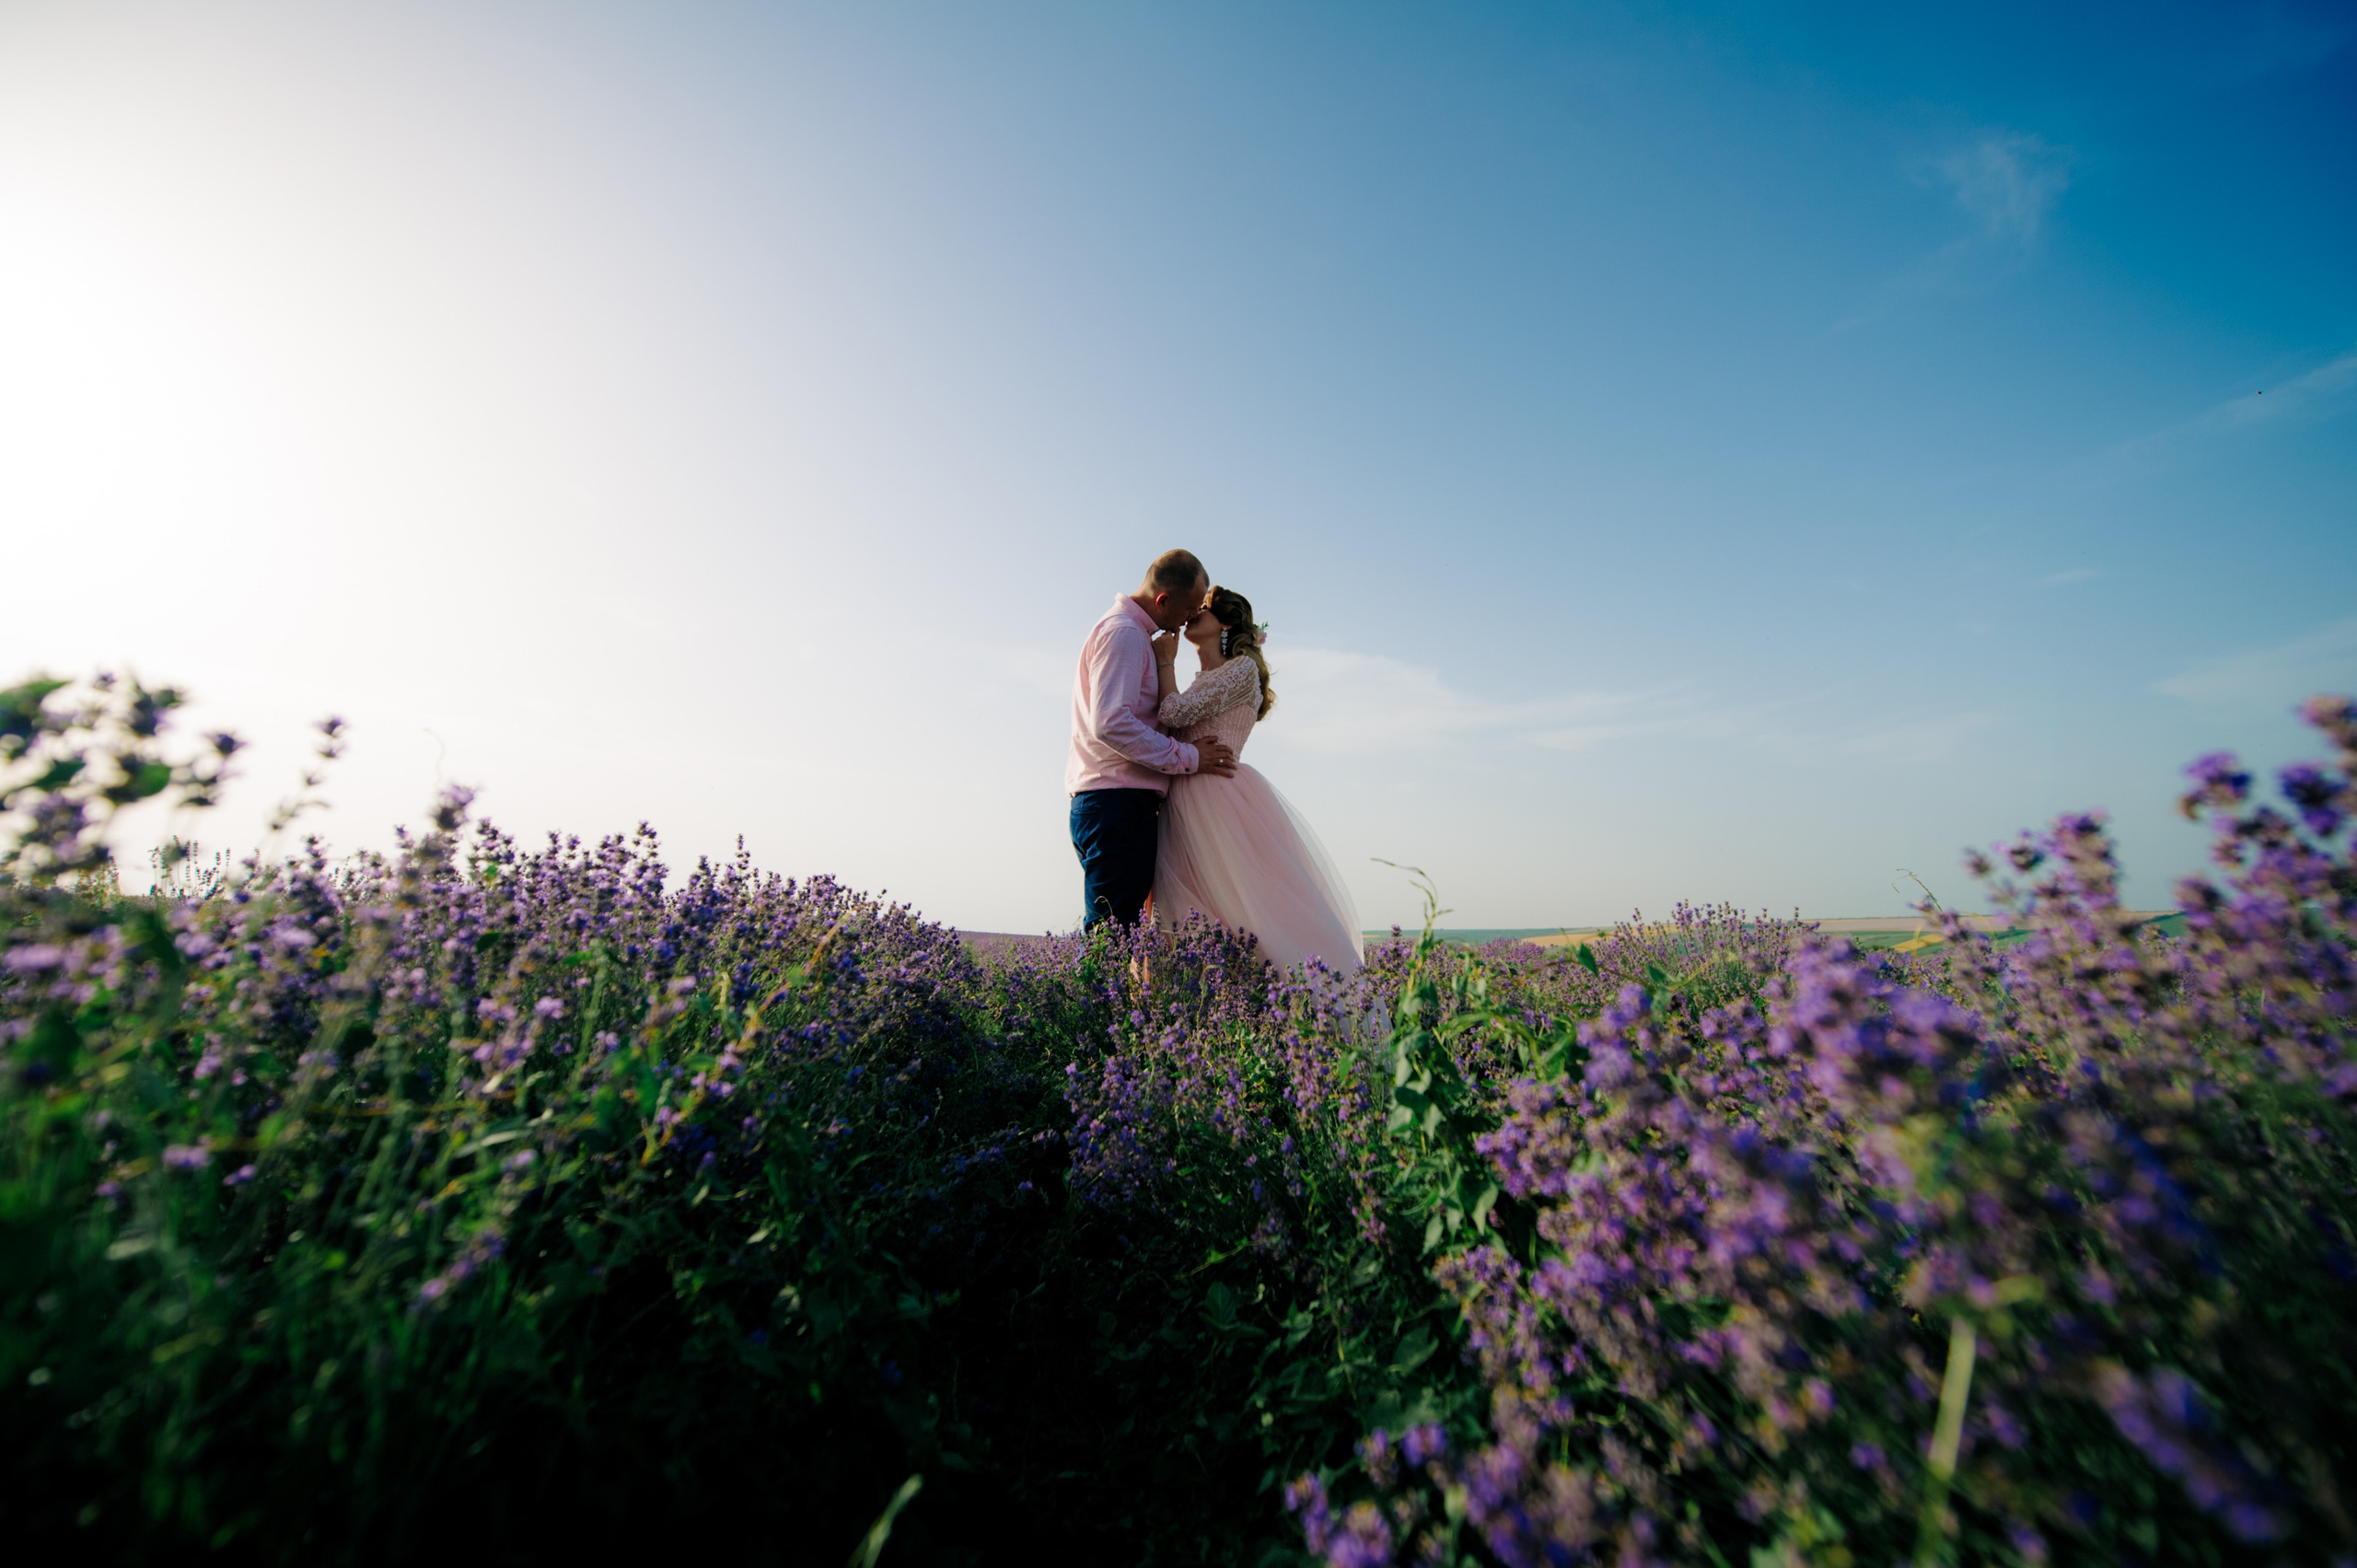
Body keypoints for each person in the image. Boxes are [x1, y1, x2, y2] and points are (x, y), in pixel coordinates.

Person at [1148, 586, 1363, 974]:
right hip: (1181, 804)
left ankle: (1284, 995)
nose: (1194, 611)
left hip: (1217, 798)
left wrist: (1165, 662)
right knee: (1187, 912)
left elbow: (1174, 714)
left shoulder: (1242, 670)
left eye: (1205, 608)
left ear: (1226, 624)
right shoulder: (1202, 680)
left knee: (1242, 906)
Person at [1066, 550, 1238, 929]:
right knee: (1110, 932)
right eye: (1190, 607)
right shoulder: (1125, 634)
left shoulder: (1128, 632)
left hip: (1115, 804)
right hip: (1117, 804)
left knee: (1117, 929)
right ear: (1163, 600)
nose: (1191, 617)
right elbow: (1111, 723)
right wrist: (1189, 757)